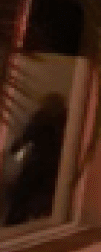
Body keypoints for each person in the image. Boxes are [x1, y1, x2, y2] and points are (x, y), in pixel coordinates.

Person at [5, 93, 67, 226]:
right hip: (57, 165)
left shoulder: (42, 117)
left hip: (38, 163)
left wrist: (13, 150)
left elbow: (26, 137)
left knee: (21, 197)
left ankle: (13, 224)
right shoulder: (66, 118)